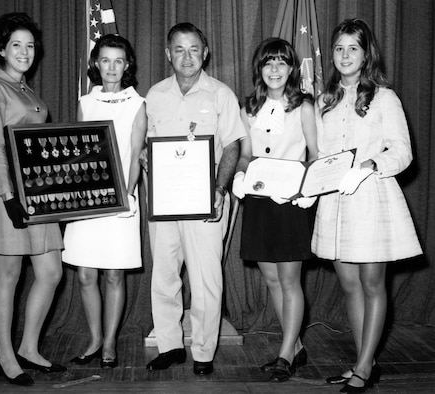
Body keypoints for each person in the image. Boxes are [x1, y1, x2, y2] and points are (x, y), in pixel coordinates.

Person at [312, 18, 422, 393]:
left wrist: (371, 165)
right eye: (339, 48)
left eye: (352, 49)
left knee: (372, 283)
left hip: (371, 198)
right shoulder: (324, 100)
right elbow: (322, 154)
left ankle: (361, 368)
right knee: (348, 284)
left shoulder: (384, 97)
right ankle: (366, 361)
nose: (345, 55)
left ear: (365, 54)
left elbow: (403, 151)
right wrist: (311, 184)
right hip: (336, 202)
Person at [144, 22, 245, 375]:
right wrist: (144, 155)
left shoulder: (221, 95)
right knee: (165, 275)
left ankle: (203, 351)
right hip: (164, 202)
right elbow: (147, 145)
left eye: (194, 50)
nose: (187, 57)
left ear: (205, 53)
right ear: (168, 54)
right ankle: (170, 346)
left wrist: (219, 190)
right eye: (179, 50)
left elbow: (232, 146)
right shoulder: (154, 96)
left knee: (206, 280)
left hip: (207, 202)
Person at [0, 12, 66, 386]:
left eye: (30, 45)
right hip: (4, 189)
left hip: (37, 189)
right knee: (9, 274)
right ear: (1, 49)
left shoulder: (25, 89)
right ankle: (6, 356)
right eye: (16, 45)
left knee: (51, 271)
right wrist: (10, 196)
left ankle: (29, 347)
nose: (25, 52)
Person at [231, 38, 318, 382]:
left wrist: (304, 188)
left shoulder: (304, 106)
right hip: (259, 198)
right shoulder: (248, 107)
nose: (275, 70)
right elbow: (246, 152)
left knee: (289, 278)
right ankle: (294, 345)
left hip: (292, 201)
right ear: (260, 69)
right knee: (271, 278)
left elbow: (314, 152)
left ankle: (284, 354)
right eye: (269, 63)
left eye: (282, 63)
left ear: (292, 69)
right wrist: (239, 173)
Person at [63, 34, 146, 368]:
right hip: (88, 200)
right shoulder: (86, 101)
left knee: (113, 275)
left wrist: (124, 195)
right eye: (106, 60)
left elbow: (135, 153)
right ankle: (94, 338)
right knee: (85, 275)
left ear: (127, 66)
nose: (112, 67)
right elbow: (81, 152)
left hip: (121, 200)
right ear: (96, 63)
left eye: (119, 60)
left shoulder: (137, 102)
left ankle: (110, 343)